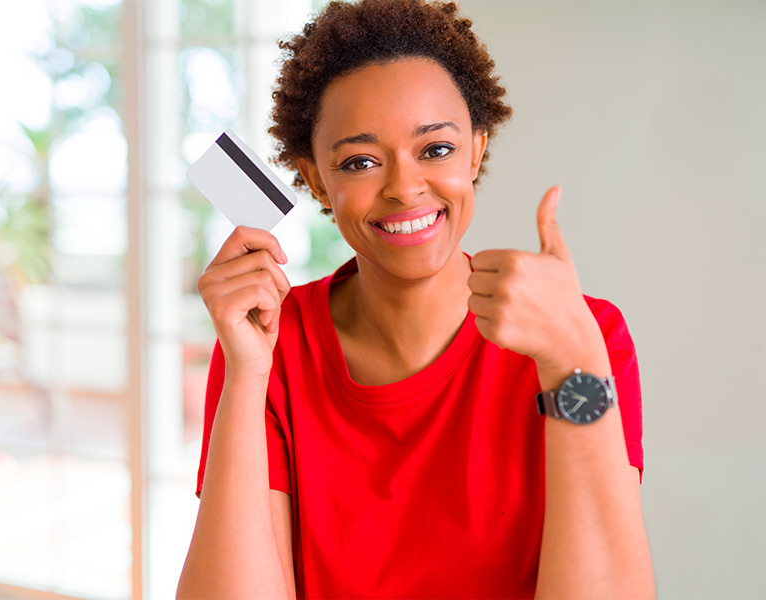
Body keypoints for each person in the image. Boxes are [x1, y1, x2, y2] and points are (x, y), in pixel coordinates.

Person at [176, 0, 655, 598]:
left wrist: (572, 363)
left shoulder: (582, 336)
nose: (404, 188)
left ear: (477, 149)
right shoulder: (265, 344)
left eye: (435, 149)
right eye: (361, 162)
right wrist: (247, 373)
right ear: (317, 177)